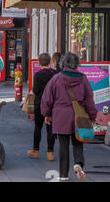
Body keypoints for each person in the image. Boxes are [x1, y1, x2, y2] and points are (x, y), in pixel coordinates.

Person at [41, 52, 97, 181]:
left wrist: (47, 114)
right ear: (77, 64)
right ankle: (78, 163)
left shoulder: (56, 79)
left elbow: (47, 99)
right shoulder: (83, 79)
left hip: (60, 116)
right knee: (78, 142)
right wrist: (92, 115)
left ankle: (63, 175)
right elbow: (89, 98)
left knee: (63, 145)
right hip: (80, 115)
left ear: (63, 63)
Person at [27, 53, 57, 161]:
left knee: (38, 127)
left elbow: (35, 90)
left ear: (39, 62)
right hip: (52, 104)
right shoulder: (55, 74)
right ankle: (50, 153)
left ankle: (35, 150)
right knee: (51, 129)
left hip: (40, 103)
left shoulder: (38, 75)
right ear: (49, 62)